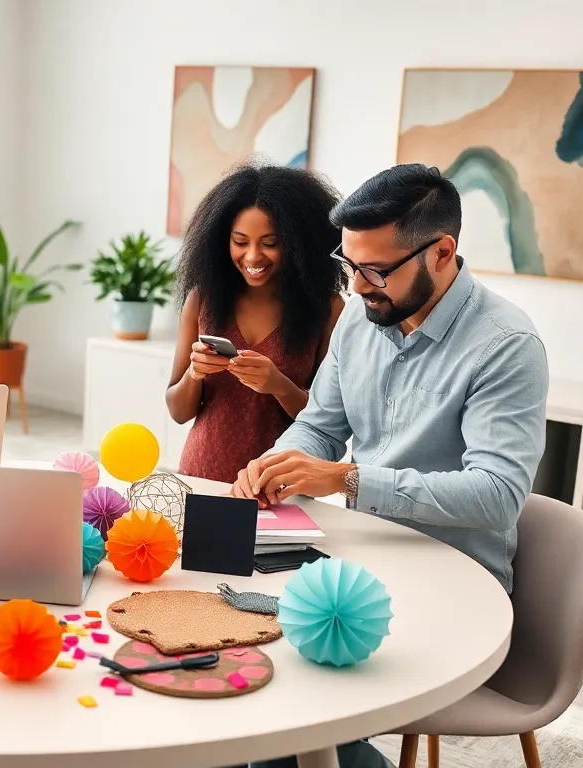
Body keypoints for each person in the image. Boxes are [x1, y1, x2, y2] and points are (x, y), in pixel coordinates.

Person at [230, 164, 549, 768]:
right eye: (349, 266)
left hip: (453, 582)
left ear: (443, 252)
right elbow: (322, 425)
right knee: (229, 656)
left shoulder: (506, 346)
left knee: (293, 707)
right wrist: (278, 463)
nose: (356, 288)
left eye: (375, 271)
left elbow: (497, 494)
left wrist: (349, 480)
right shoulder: (360, 317)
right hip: (360, 556)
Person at [167, 163, 347, 483]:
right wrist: (195, 373)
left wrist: (278, 385)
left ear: (298, 243)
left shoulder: (328, 310)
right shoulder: (202, 300)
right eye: (240, 241)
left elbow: (326, 422)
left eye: (269, 243)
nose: (252, 257)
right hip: (201, 474)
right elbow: (178, 412)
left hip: (278, 483)